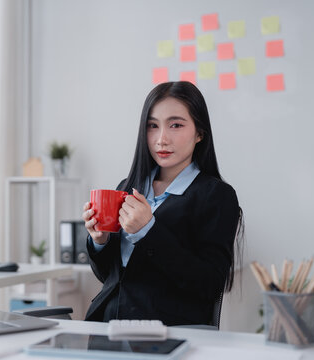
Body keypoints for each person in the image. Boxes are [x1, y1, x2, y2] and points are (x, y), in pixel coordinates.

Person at [82, 81, 244, 326]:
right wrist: (99, 241)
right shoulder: (128, 188)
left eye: (176, 125)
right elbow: (112, 278)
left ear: (199, 133)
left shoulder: (216, 195)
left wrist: (148, 231)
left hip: (165, 334)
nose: (161, 139)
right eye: (152, 126)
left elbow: (209, 284)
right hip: (106, 327)